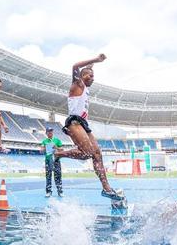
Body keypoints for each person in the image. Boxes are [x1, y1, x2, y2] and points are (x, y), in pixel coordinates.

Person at [54, 54, 124, 201]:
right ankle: (58, 154)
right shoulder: (78, 84)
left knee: (97, 154)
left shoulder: (84, 87)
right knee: (87, 153)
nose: (93, 78)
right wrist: (95, 60)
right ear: (83, 76)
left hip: (84, 125)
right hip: (74, 122)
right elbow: (75, 66)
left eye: (93, 76)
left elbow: (86, 69)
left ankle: (106, 189)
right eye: (90, 76)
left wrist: (93, 66)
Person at [41, 127, 63, 198]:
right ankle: (48, 192)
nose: (50, 133)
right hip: (48, 160)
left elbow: (62, 149)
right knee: (48, 176)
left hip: (56, 160)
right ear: (46, 133)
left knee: (58, 176)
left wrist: (56, 147)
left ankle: (60, 191)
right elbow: (41, 150)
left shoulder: (57, 140)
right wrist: (44, 148)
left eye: (51, 131)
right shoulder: (44, 141)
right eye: (49, 131)